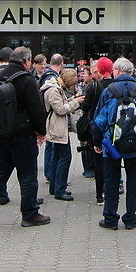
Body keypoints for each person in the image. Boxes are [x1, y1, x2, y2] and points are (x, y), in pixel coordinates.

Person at [0, 46, 51, 228]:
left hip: (0, 133)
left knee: (0, 172)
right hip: (22, 134)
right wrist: (41, 131)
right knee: (28, 175)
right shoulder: (26, 79)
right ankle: (30, 214)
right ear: (27, 61)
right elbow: (36, 109)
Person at [92, 57, 136, 230]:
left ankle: (111, 219)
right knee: (132, 181)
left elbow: (99, 121)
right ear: (132, 71)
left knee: (111, 181)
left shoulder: (109, 91)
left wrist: (97, 142)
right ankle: (130, 218)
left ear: (117, 71)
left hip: (112, 144)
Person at [43, 68, 84, 201]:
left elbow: (62, 103)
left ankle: (54, 187)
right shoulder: (54, 90)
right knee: (65, 157)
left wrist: (72, 98)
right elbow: (61, 109)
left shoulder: (54, 87)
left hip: (55, 126)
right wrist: (76, 102)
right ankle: (60, 189)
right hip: (57, 126)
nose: (71, 87)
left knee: (56, 156)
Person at [80, 57, 114, 205]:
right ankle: (112, 190)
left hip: (98, 128)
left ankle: (100, 194)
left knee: (99, 161)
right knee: (114, 160)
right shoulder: (117, 86)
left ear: (99, 70)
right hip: (114, 130)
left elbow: (86, 107)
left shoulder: (94, 87)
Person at [40, 53, 62, 185]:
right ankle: (51, 174)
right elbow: (58, 106)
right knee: (53, 146)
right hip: (52, 117)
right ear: (62, 64)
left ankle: (49, 173)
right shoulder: (53, 78)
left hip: (45, 115)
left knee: (49, 145)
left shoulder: (45, 75)